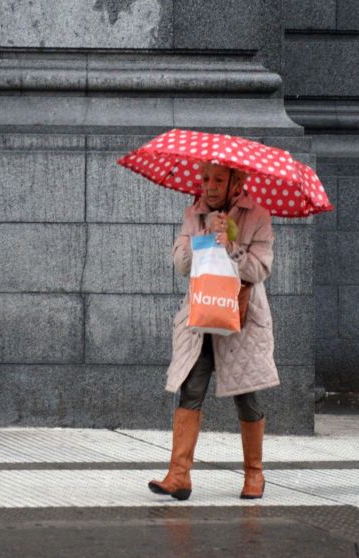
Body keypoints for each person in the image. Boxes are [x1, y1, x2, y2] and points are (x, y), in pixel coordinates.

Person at [149, 162, 278, 500]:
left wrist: (231, 244)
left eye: (218, 179)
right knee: (191, 389)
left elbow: (262, 268)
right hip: (202, 315)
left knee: (246, 395)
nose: (209, 185)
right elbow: (180, 263)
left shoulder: (258, 216)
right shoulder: (193, 214)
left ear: (237, 182)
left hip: (240, 319)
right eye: (206, 178)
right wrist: (205, 238)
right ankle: (179, 476)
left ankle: (254, 474)